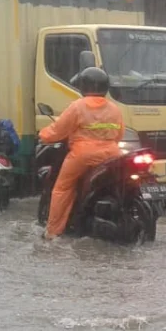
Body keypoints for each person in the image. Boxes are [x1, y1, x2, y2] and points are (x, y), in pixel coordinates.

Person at [39, 67, 125, 240]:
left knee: (62, 188)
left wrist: (43, 135)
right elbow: (119, 134)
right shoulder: (114, 109)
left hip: (82, 155)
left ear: (84, 86)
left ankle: (53, 232)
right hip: (112, 155)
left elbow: (58, 130)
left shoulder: (78, 106)